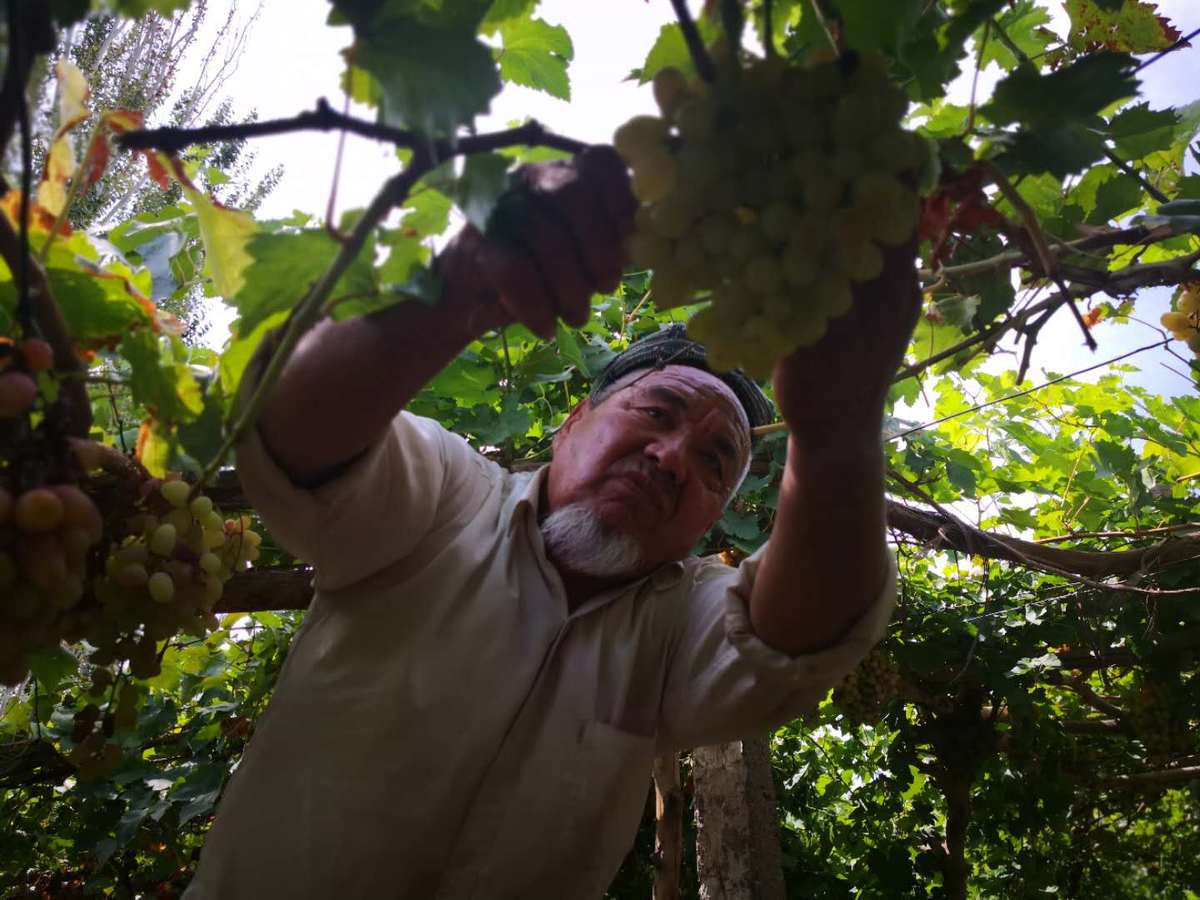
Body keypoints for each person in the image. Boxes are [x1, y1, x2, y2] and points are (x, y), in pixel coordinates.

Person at [183, 145, 921, 898]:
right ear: (572, 423)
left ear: (713, 523)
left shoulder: (678, 628)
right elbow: (296, 431)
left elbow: (800, 637)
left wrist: (837, 428)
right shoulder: (445, 495)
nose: (671, 457)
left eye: (714, 462)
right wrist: (461, 281)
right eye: (656, 412)